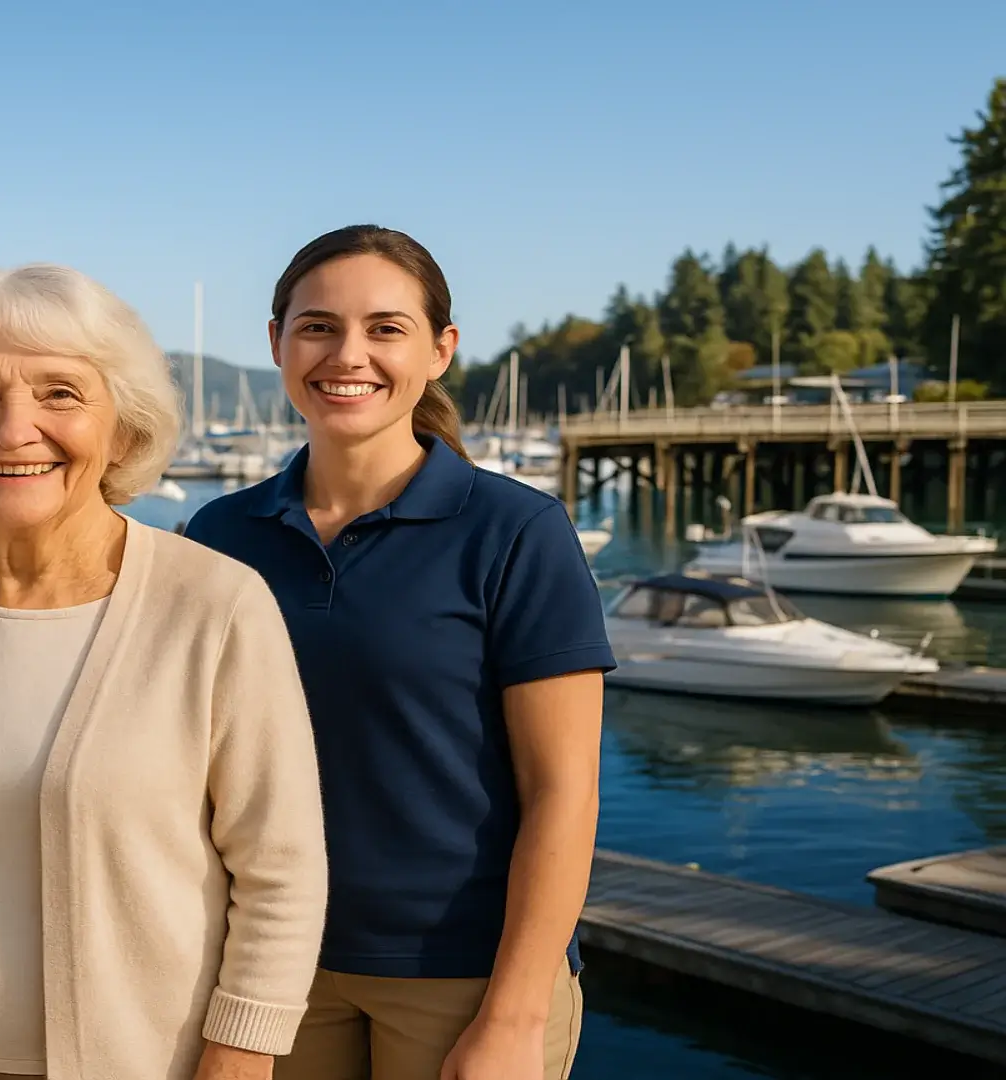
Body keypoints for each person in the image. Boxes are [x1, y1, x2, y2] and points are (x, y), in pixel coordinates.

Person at [0, 264, 328, 1080]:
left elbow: (282, 868)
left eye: (61, 393)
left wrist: (242, 1053)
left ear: (124, 431)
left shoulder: (213, 605)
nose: (12, 427)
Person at [185, 225, 615, 1080]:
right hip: (271, 968)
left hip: (462, 975)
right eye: (318, 326)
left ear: (440, 351)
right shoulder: (218, 534)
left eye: (386, 329)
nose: (349, 354)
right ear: (276, 343)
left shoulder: (516, 532)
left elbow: (563, 793)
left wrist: (516, 1017)